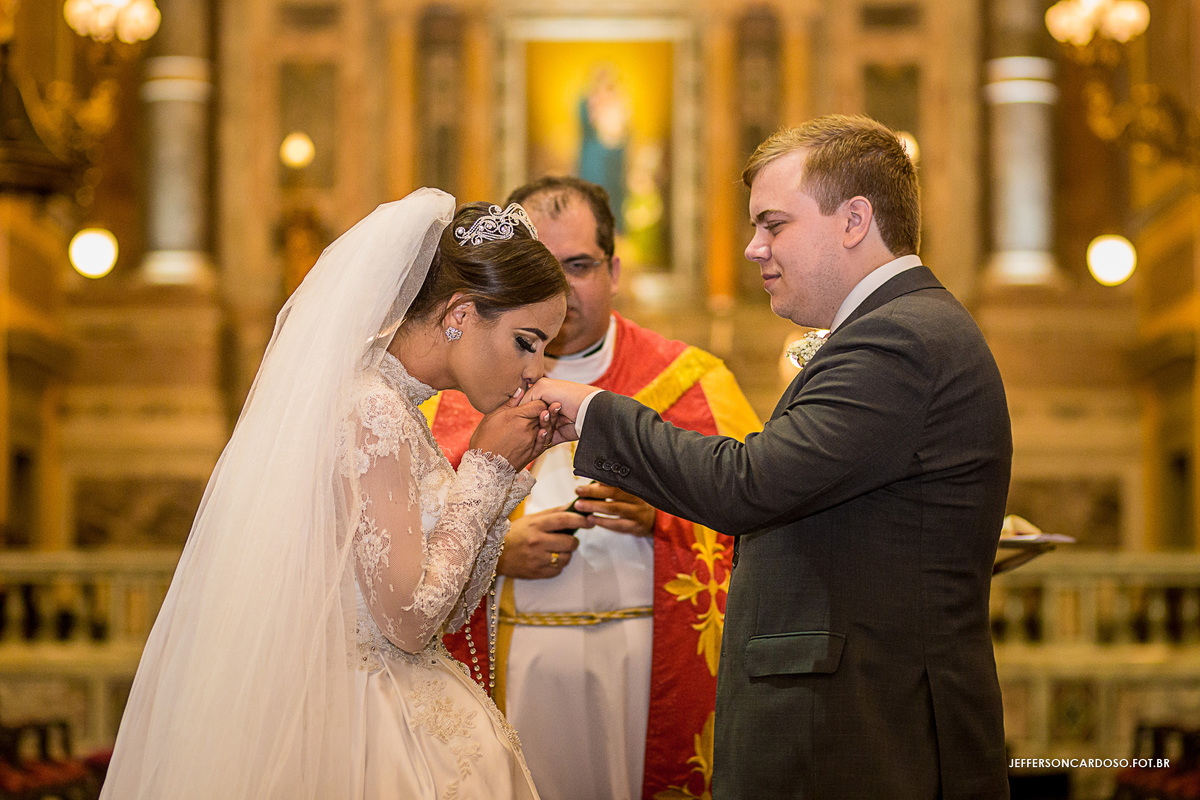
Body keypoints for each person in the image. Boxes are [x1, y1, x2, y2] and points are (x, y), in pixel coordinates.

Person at [527, 116, 1014, 799]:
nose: (754, 248)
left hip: (869, 731)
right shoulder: (896, 330)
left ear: (853, 219)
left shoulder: (897, 340)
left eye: (773, 223)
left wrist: (590, 410)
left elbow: (748, 485)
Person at [100, 189, 570, 799]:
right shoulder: (370, 408)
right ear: (459, 312)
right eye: (527, 342)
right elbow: (407, 623)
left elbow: (446, 610)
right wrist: (483, 468)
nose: (536, 370)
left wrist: (499, 479)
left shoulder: (393, 404)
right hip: (361, 727)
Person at [427, 176, 759, 800]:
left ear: (614, 269)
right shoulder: (449, 396)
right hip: (511, 682)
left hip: (643, 679)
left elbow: (763, 519)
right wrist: (496, 551)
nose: (561, 290)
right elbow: (391, 558)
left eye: (578, 266)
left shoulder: (693, 385)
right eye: (541, 268)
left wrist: (666, 513)